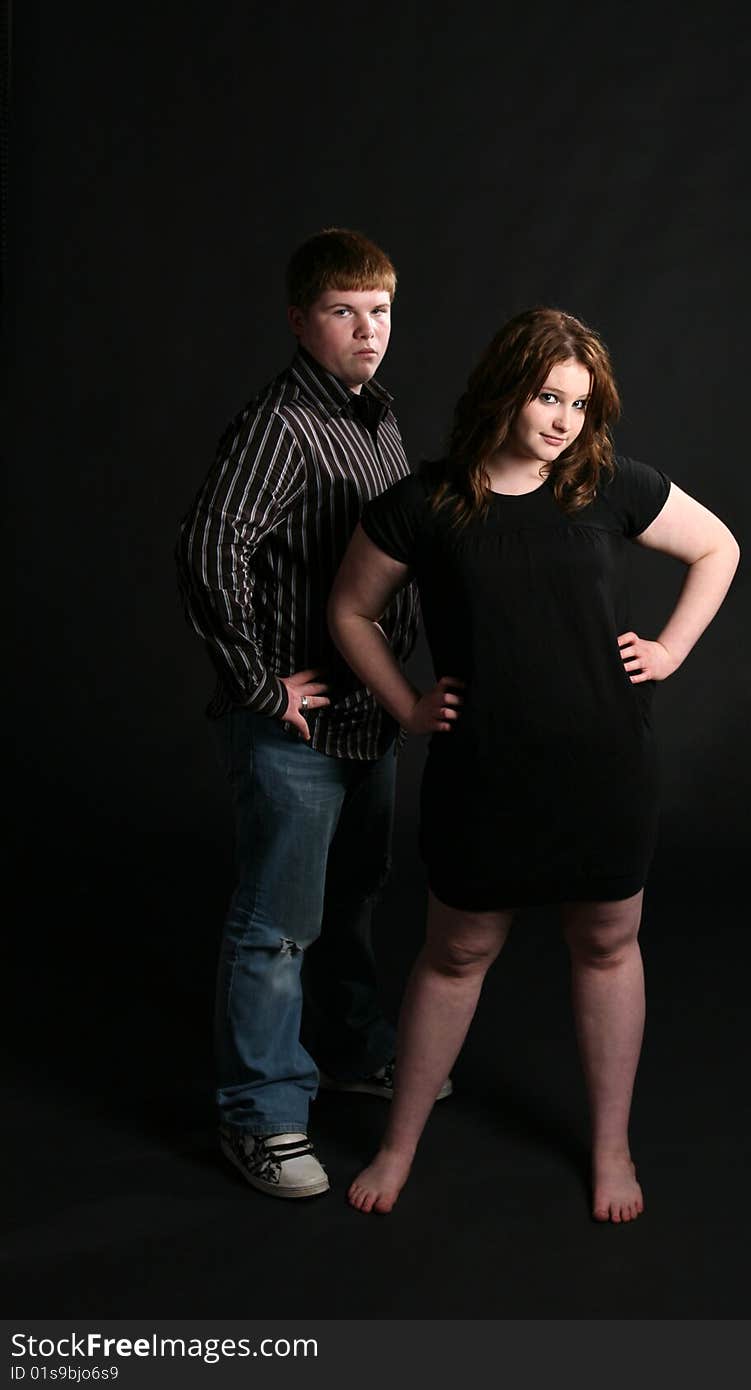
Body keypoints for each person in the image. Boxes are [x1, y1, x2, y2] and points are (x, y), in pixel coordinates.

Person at [327, 306, 740, 1222]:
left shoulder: (608, 487)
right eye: (548, 397)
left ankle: (610, 1148)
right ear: (506, 390)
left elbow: (719, 547)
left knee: (606, 945)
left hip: (604, 770)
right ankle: (397, 1148)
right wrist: (406, 705)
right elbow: (350, 611)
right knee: (457, 951)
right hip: (485, 773)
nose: (564, 420)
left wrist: (668, 650)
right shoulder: (424, 503)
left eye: (581, 405)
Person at [175, 228, 448, 1202]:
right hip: (296, 727)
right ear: (301, 321)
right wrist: (261, 683)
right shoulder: (282, 423)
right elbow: (210, 550)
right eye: (344, 312)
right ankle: (258, 1111)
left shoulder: (375, 416)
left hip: (367, 717)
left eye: (379, 311)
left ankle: (344, 1048)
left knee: (352, 898)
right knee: (277, 922)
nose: (367, 331)